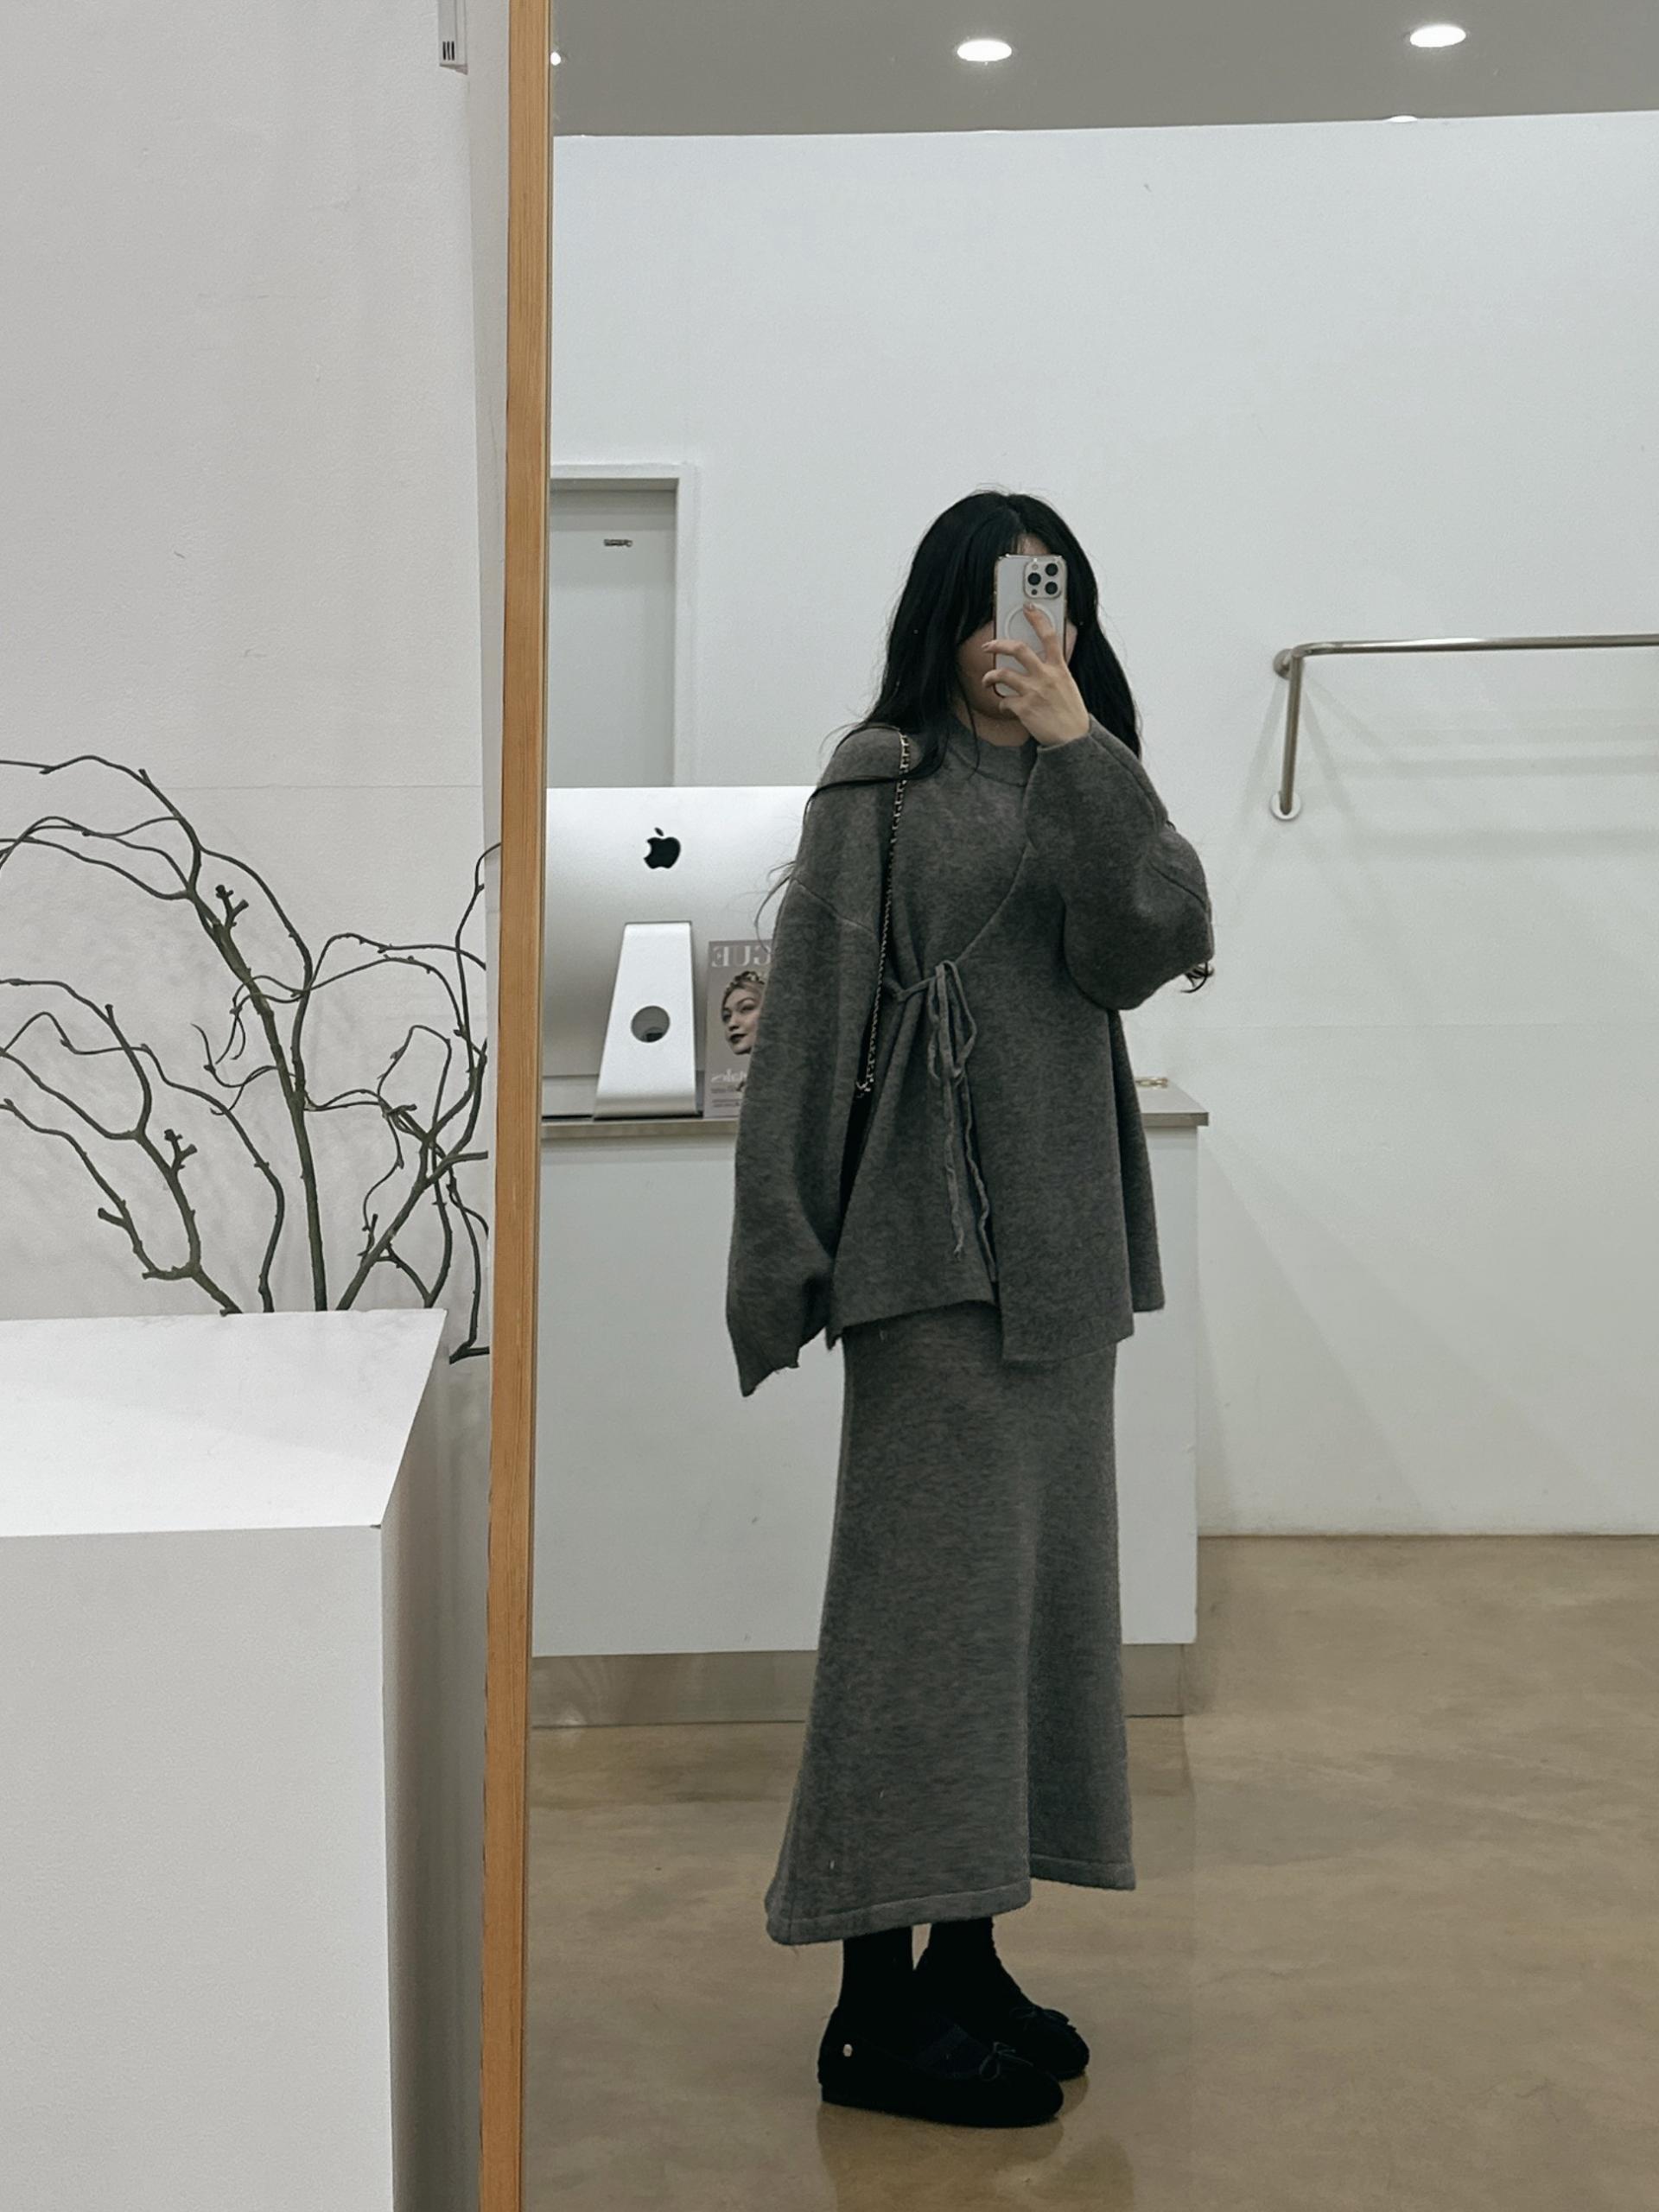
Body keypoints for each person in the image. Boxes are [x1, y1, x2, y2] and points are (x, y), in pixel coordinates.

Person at [725, 490, 1213, 2129]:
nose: (1029, 621)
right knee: (916, 1628)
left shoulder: (1092, 769)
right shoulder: (877, 784)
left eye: (1051, 592)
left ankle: (968, 1956)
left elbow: (1158, 939)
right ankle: (872, 2011)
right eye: (1005, 593)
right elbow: (810, 1022)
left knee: (1027, 1618)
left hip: (1063, 1251)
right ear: (950, 611)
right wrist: (782, 1245)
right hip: (927, 1249)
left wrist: (1078, 737)